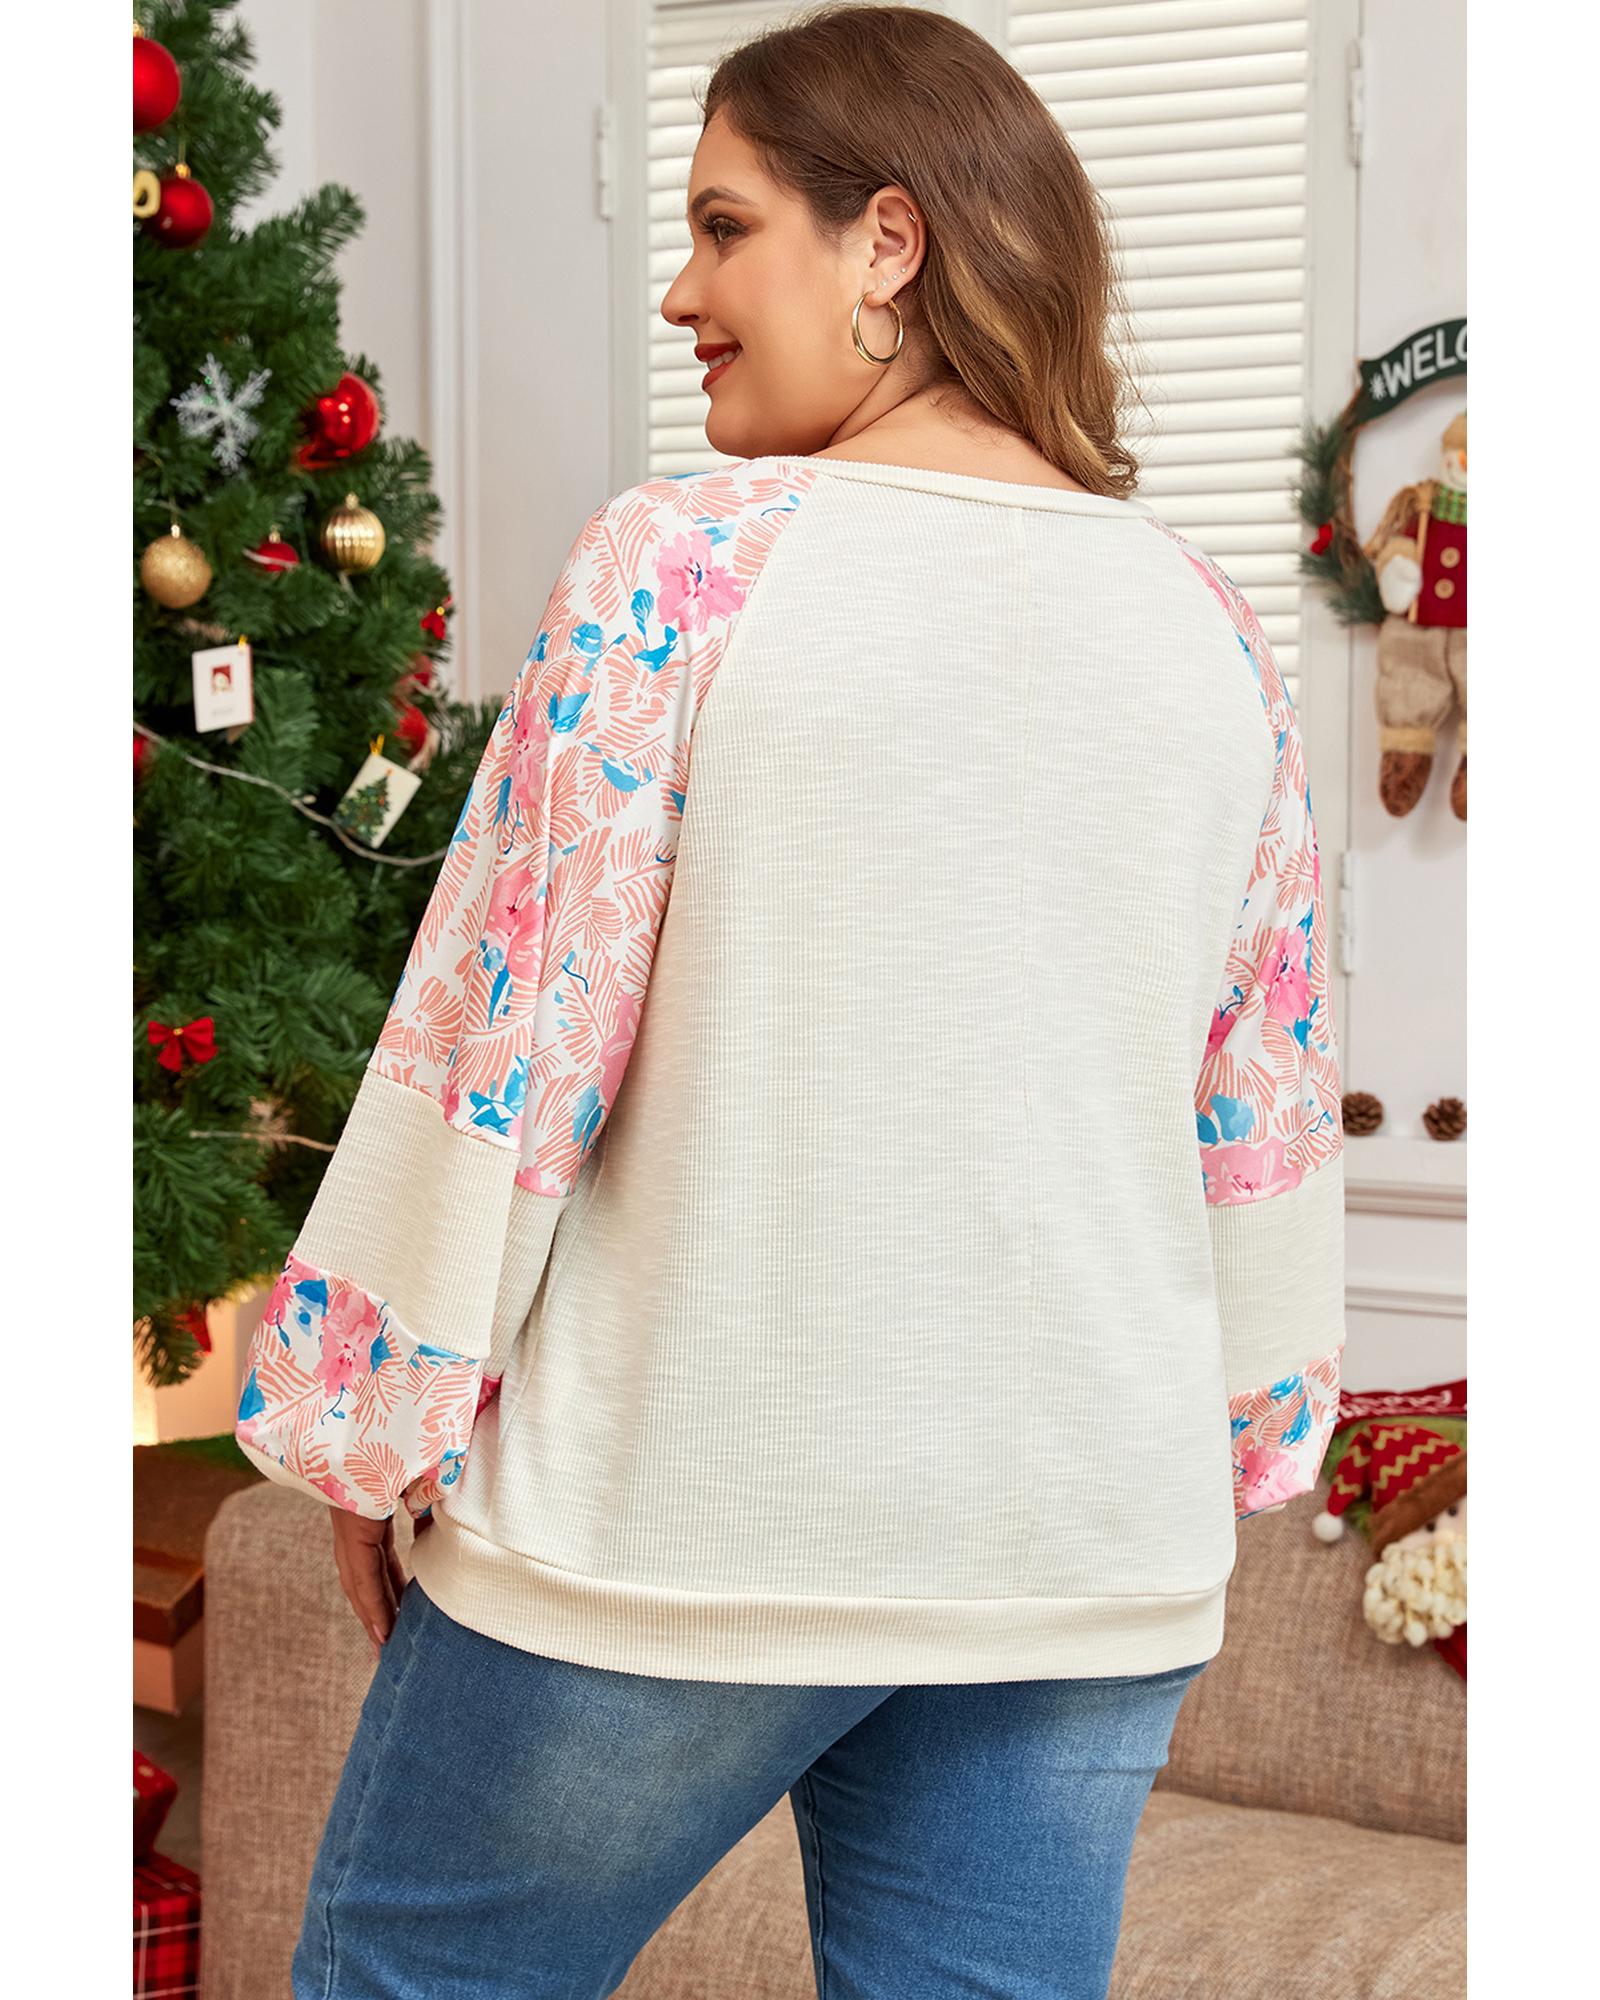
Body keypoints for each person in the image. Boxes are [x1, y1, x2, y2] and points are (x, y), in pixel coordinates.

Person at [235, 9, 1345, 1996]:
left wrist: (374, 1420)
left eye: (725, 226)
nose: (681, 291)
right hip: (1085, 1549)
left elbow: (511, 1037)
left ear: (886, 243)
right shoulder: (1206, 626)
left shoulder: (683, 567)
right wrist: (1253, 1423)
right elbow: (1258, 1089)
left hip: (686, 1522)